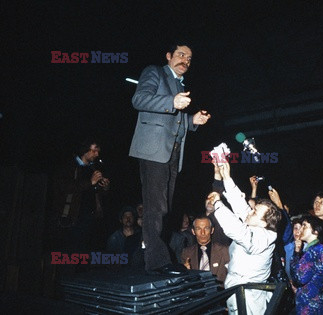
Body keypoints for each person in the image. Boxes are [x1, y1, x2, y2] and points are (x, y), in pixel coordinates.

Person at [129, 41, 211, 272]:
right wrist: (171, 102)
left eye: (189, 58)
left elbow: (175, 121)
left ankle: (151, 255)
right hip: (153, 150)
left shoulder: (179, 83)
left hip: (173, 153)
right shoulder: (154, 72)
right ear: (168, 56)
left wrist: (192, 121)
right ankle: (157, 262)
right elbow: (139, 99)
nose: (185, 60)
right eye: (181, 54)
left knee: (164, 208)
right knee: (155, 208)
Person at [210, 160, 282, 315]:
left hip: (250, 297)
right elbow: (240, 204)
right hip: (236, 287)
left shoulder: (265, 237)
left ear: (264, 223)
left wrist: (217, 203)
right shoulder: (254, 224)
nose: (250, 212)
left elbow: (237, 231)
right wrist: (226, 176)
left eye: (254, 212)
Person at [52, 139, 110, 254]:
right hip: (71, 219)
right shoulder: (69, 165)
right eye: (94, 150)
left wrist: (105, 187)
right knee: (69, 255)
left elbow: (97, 193)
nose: (97, 154)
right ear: (85, 150)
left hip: (90, 219)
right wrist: (90, 182)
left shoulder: (93, 168)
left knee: (85, 256)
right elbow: (63, 187)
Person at [291, 216, 323, 315]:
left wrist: (296, 254)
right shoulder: (314, 249)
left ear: (316, 231)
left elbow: (299, 278)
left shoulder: (314, 251)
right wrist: (297, 252)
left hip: (311, 305)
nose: (300, 229)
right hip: (313, 303)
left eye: (304, 226)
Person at [181, 216, 229, 284]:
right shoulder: (186, 253)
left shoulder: (224, 251)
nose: (202, 233)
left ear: (212, 230)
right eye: (198, 229)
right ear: (193, 231)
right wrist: (186, 273)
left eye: (206, 228)